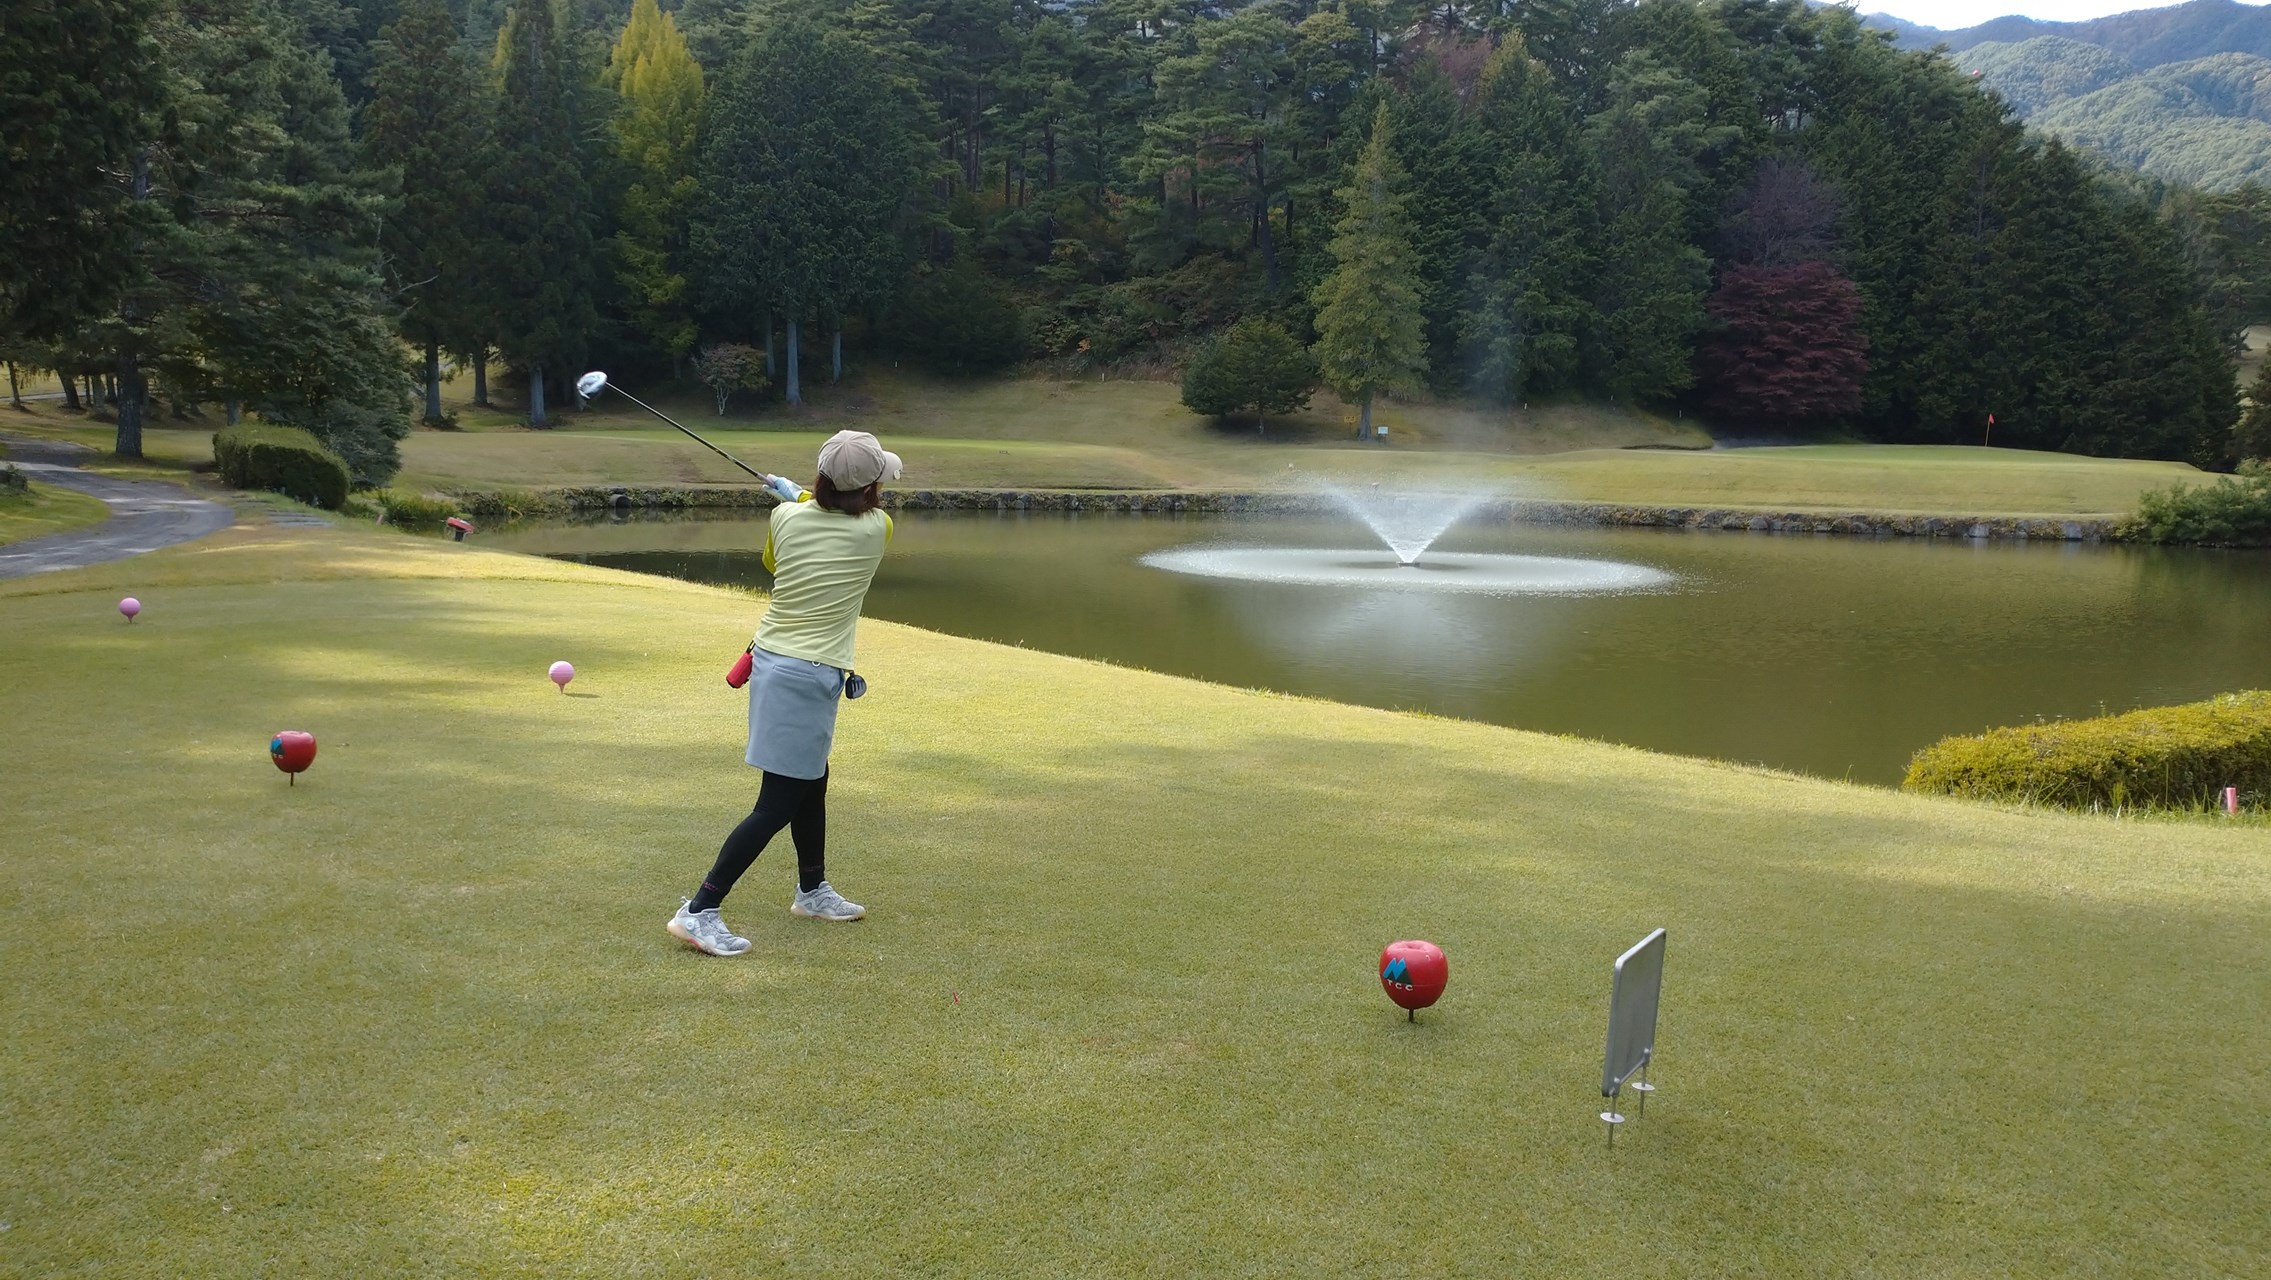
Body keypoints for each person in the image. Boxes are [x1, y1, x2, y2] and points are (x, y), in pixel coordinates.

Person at [667, 429, 902, 956]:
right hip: (806, 676)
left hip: (777, 663)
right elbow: (832, 509)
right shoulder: (877, 528)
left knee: (812, 779)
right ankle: (700, 911)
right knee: (776, 804)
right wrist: (795, 492)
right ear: (870, 489)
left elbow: (776, 560)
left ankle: (812, 890)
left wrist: (794, 495)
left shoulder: (785, 518)